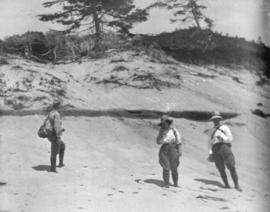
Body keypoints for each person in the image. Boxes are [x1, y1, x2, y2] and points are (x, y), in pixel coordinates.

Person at [207, 111, 242, 192]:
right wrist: (210, 154)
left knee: (231, 166)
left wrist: (223, 139)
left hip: (224, 147)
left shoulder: (225, 127)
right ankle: (226, 184)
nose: (215, 121)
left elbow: (230, 138)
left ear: (220, 119)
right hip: (215, 149)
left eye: (217, 119)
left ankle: (236, 184)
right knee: (220, 168)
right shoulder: (211, 131)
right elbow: (209, 143)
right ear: (212, 120)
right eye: (214, 119)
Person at [156, 115, 182, 188]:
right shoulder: (161, 131)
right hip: (164, 149)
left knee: (174, 167)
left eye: (165, 123)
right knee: (166, 166)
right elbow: (158, 142)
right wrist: (160, 133)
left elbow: (179, 141)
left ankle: (175, 183)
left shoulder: (174, 130)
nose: (164, 125)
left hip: (173, 149)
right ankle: (166, 183)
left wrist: (179, 151)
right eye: (162, 123)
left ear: (168, 123)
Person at [47, 100, 66, 172]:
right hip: (54, 134)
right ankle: (52, 169)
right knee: (54, 151)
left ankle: (60, 163)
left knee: (62, 146)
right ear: (58, 106)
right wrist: (59, 134)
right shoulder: (56, 114)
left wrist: (61, 129)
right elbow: (56, 125)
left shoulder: (51, 113)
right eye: (60, 106)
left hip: (50, 134)